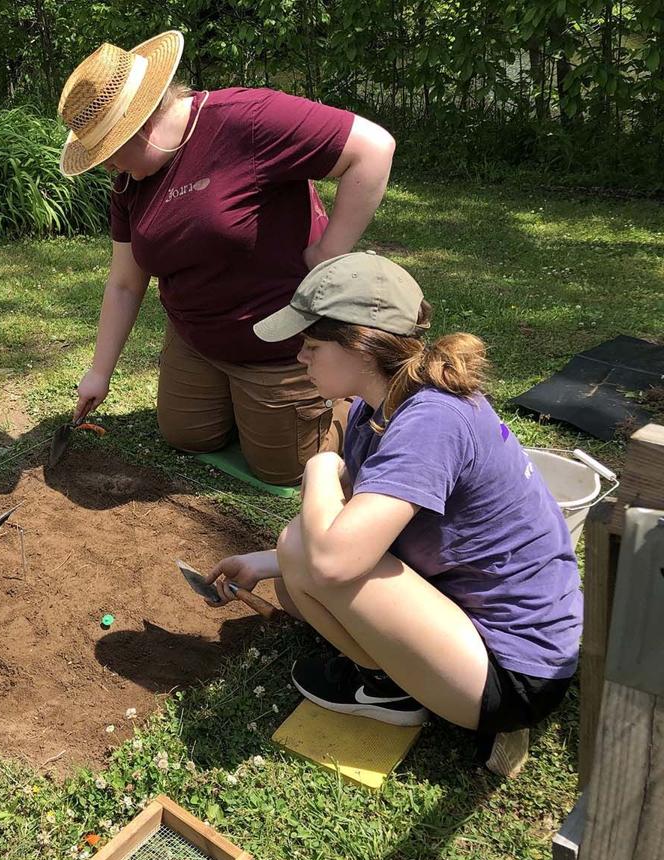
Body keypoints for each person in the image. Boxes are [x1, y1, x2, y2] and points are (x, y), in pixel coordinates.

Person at [208, 252, 580, 770]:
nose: (300, 359)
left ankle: (391, 691)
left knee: (305, 549)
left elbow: (335, 561)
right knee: (294, 576)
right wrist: (262, 563)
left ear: (360, 345)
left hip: (514, 672)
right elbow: (355, 536)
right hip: (476, 626)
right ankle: (398, 674)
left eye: (312, 346)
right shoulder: (385, 403)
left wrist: (318, 468)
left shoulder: (431, 421)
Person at [57, 31, 396, 484]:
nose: (105, 167)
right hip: (197, 338)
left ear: (140, 126)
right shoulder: (130, 181)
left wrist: (329, 253)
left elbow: (373, 148)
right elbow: (124, 282)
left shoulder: (246, 120)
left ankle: (342, 401)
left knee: (285, 470)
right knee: (186, 437)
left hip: (278, 346)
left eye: (108, 152)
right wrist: (99, 372)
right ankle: (238, 398)